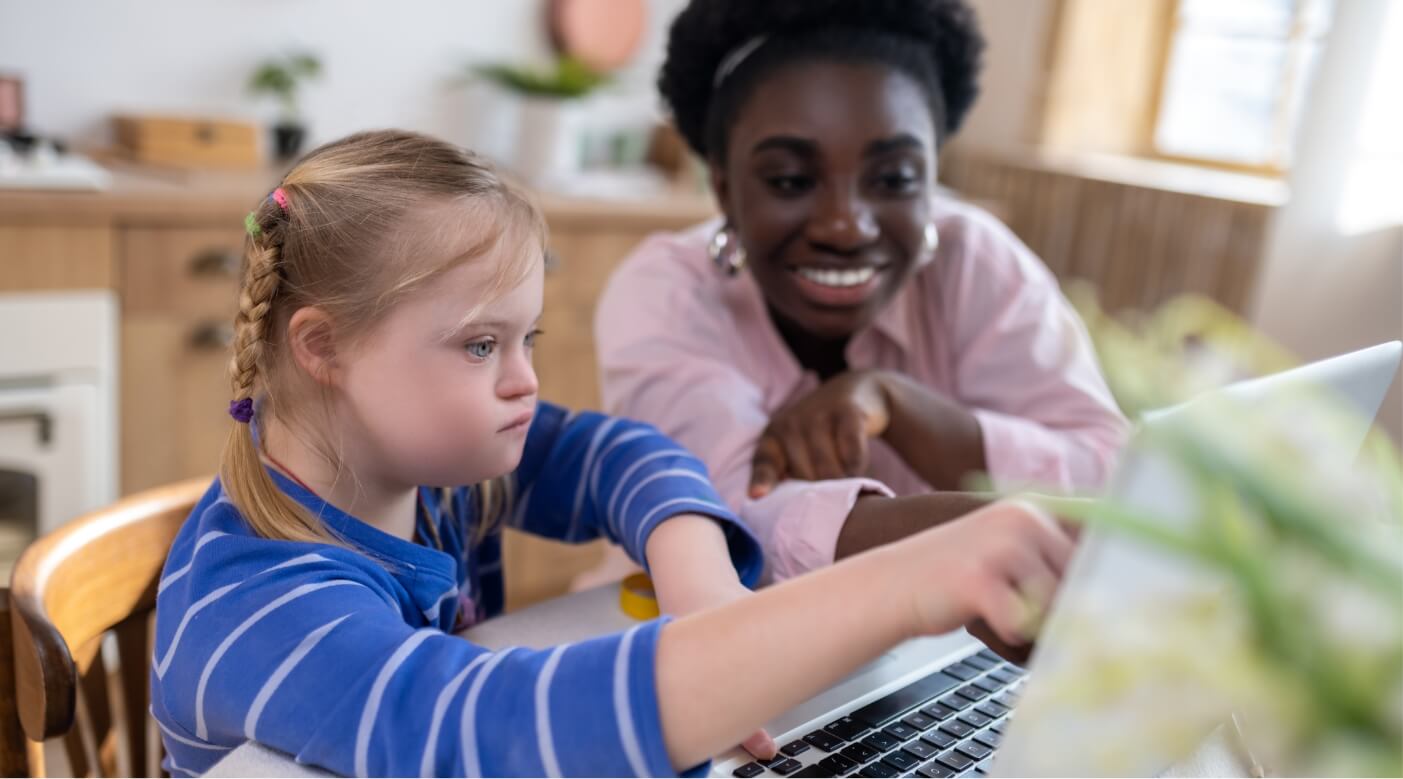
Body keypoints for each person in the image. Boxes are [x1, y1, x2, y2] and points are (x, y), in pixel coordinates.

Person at [150, 130, 1075, 777]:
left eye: (528, 339)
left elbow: (618, 454)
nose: (524, 383)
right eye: (480, 345)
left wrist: (695, 573)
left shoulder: (416, 463)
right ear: (324, 350)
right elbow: (485, 730)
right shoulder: (260, 608)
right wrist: (901, 585)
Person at [596, 0, 1128, 582]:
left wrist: (905, 408)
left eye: (895, 178)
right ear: (725, 189)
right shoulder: (664, 295)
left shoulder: (974, 261)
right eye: (791, 180)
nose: (846, 227)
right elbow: (731, 522)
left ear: (932, 179)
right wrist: (1014, 537)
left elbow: (1110, 469)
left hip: (946, 648)